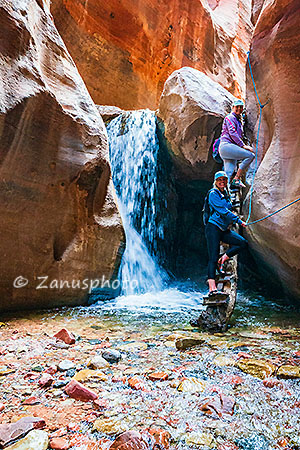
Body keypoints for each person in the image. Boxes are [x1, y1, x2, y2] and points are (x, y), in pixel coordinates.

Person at [205, 171, 248, 297]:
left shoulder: (226, 193)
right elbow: (223, 211)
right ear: (215, 182)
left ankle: (223, 258)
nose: (222, 182)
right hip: (213, 228)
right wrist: (239, 221)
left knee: (242, 243)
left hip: (223, 229)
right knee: (212, 257)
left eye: (224, 180)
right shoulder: (213, 194)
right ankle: (212, 288)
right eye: (219, 180)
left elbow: (229, 208)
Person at [219, 99, 255, 188]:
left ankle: (223, 194)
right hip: (227, 146)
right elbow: (232, 132)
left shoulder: (238, 119)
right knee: (250, 155)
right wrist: (243, 146)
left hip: (228, 150)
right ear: (233, 107)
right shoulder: (230, 117)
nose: (239, 109)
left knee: (228, 173)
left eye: (241, 107)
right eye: (237, 107)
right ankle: (237, 178)